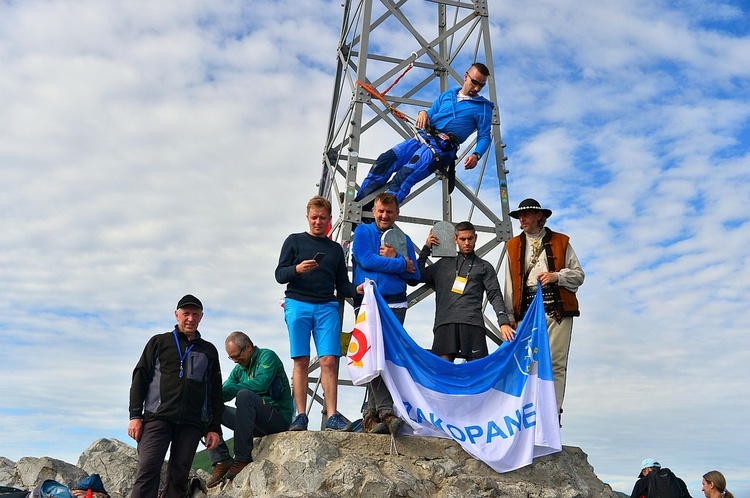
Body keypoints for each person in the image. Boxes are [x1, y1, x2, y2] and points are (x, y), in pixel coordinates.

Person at [275, 195, 364, 432]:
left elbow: (342, 285)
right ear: (307, 217)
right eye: (314, 217)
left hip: (327, 306)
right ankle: (301, 415)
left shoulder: (335, 250)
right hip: (297, 303)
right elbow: (279, 275)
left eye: (322, 218)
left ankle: (332, 414)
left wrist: (357, 289)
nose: (317, 221)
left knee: (330, 360)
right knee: (301, 359)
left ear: (329, 220)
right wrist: (297, 268)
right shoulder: (293, 241)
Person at [354, 62, 494, 205]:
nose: (476, 88)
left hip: (441, 148)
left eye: (481, 86)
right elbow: (431, 113)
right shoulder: (448, 95)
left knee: (405, 175)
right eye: (474, 83)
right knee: (385, 161)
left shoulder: (483, 108)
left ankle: (377, 215)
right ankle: (359, 203)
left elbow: (484, 136)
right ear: (466, 77)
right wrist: (422, 113)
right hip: (422, 138)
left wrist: (476, 155)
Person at [128, 295, 223, 498]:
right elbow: (140, 377)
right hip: (157, 417)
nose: (190, 318)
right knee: (148, 468)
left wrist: (214, 427)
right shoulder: (159, 342)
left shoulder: (209, 351)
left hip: (192, 422)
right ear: (177, 315)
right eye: (186, 313)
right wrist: (135, 415)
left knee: (179, 475)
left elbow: (215, 391)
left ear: (201, 317)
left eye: (195, 314)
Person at [503, 198, 584, 417]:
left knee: (556, 362)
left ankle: (551, 414)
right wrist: (509, 315)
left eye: (526, 214)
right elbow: (509, 282)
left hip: (556, 309)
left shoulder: (561, 241)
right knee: (524, 363)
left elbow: (578, 275)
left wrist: (556, 276)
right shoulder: (513, 245)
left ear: (539, 216)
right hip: (527, 311)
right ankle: (525, 415)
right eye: (519, 216)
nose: (522, 219)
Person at [351, 192, 420, 434]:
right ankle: (386, 411)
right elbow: (366, 259)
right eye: (380, 210)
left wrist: (397, 257)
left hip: (396, 305)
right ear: (374, 210)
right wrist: (401, 264)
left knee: (387, 358)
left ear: (397, 213)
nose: (384, 215)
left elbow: (415, 275)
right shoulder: (363, 232)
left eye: (389, 211)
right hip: (369, 302)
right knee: (372, 356)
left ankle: (370, 415)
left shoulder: (404, 238)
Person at [206, 331, 293, 488]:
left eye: (236, 356)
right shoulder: (239, 369)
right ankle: (222, 459)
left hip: (278, 418)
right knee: (208, 406)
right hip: (254, 423)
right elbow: (224, 392)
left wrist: (232, 389)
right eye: (231, 358)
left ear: (248, 347)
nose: (235, 361)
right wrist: (207, 396)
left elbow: (261, 384)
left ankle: (242, 458)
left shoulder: (267, 356)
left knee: (244, 395)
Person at [417, 221, 515, 362]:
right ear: (455, 239)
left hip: (473, 324)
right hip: (445, 323)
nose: (467, 243)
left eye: (470, 238)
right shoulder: (442, 264)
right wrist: (426, 248)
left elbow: (494, 294)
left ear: (476, 237)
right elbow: (416, 277)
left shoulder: (484, 266)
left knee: (477, 372)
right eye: (463, 239)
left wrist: (503, 322)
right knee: (444, 371)